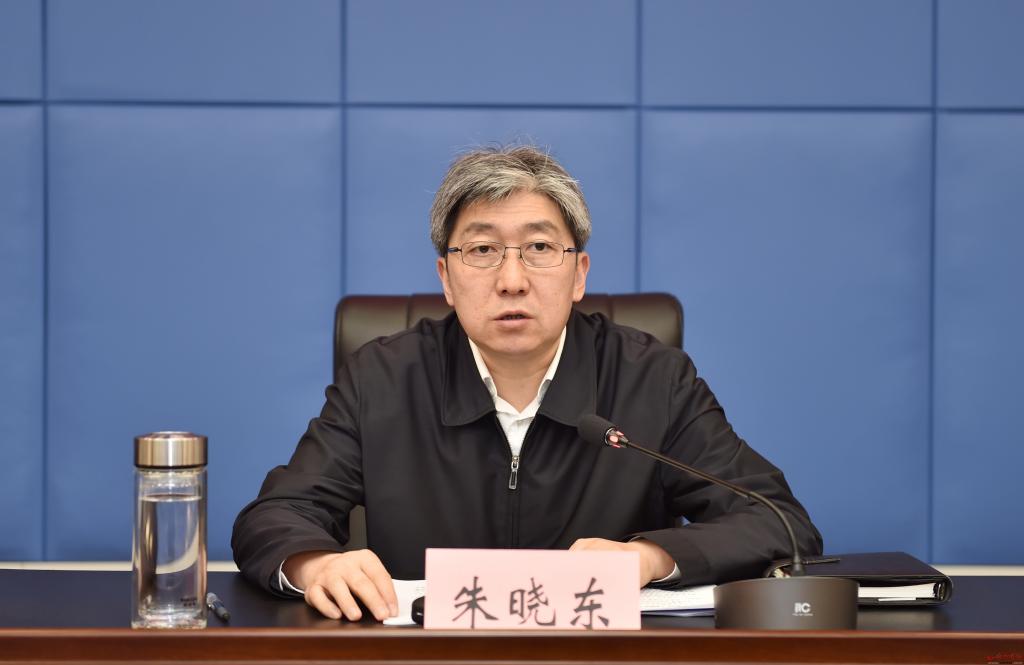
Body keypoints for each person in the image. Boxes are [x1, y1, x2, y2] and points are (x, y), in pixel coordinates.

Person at [232, 145, 822, 622]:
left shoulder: (653, 379)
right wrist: (314, 564)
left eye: (539, 248)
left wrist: (647, 558)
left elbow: (778, 522)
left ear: (578, 274)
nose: (512, 279)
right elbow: (275, 514)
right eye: (483, 249)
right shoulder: (383, 379)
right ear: (446, 278)